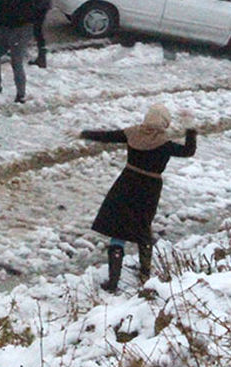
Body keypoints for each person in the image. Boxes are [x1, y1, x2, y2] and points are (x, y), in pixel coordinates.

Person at [81, 105, 197, 292]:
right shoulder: (165, 144)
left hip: (126, 183)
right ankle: (145, 276)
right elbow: (188, 151)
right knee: (143, 228)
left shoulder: (132, 133)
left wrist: (84, 133)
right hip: (149, 189)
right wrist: (190, 129)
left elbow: (107, 136)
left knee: (118, 230)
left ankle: (113, 281)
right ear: (163, 123)